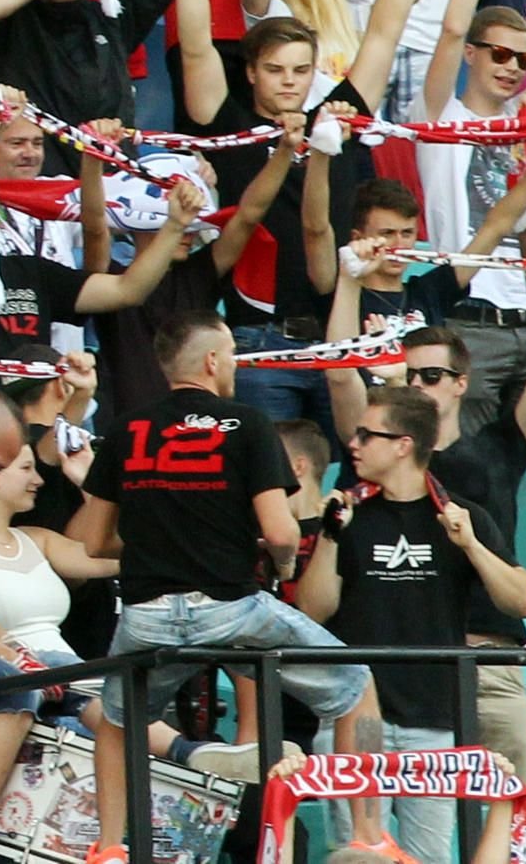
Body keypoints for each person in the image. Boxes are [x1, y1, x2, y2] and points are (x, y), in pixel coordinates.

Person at [73, 310, 384, 831]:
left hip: (144, 616)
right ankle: (370, 835)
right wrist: (280, 561)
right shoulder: (249, 424)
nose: (235, 368)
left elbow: (94, 541)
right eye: (232, 358)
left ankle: (108, 845)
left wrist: (160, 536)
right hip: (232, 611)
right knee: (356, 684)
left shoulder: (128, 430)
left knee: (115, 720)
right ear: (213, 361)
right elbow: (283, 533)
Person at [300, 387, 526, 860]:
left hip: (433, 719)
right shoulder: (350, 516)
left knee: (427, 858)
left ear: (403, 444)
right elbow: (312, 610)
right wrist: (328, 536)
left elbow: (523, 600)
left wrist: (469, 544)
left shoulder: (457, 514)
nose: (355, 443)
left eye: (368, 434)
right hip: (358, 719)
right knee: (357, 856)